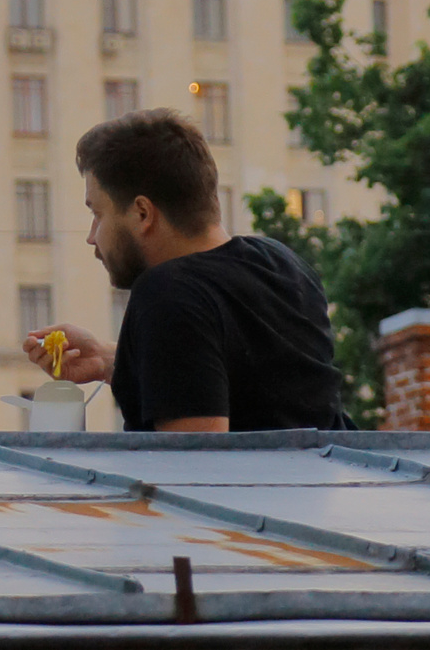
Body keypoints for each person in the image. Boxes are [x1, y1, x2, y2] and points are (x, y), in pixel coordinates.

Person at [23, 108, 348, 432]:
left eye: (98, 214)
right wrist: (107, 361)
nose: (92, 236)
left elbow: (194, 456)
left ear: (142, 213)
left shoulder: (167, 294)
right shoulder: (282, 264)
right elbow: (254, 395)